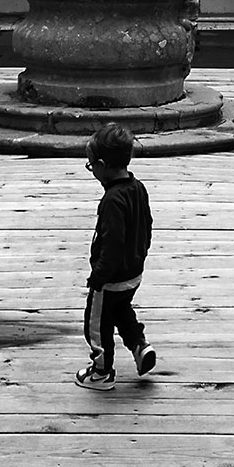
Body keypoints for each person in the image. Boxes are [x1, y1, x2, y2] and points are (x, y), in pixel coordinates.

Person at [75, 123, 156, 391]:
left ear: (101, 165)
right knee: (121, 311)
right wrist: (140, 255)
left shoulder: (112, 200)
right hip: (133, 273)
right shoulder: (138, 188)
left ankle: (102, 372)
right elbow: (147, 225)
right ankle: (140, 346)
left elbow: (111, 244)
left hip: (110, 278)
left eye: (91, 166)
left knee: (97, 324)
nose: (92, 171)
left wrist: (98, 277)